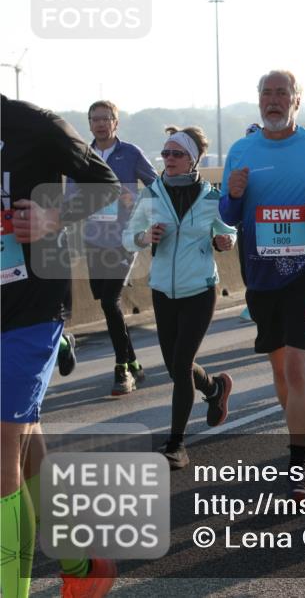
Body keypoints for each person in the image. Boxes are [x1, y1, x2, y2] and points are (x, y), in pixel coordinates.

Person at [2, 95, 121, 598]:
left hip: (31, 307)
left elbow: (108, 187)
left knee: (2, 448)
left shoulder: (35, 126)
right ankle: (80, 563)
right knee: (25, 444)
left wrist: (54, 219)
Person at [219, 70, 305, 500]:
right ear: (258, 100)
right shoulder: (242, 149)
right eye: (266, 94)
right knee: (280, 372)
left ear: (297, 100)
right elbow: (227, 213)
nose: (273, 101)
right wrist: (235, 195)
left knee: (298, 366)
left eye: (282, 93)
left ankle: (298, 469)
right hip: (261, 273)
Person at [122, 126, 237, 469]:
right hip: (162, 290)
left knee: (182, 363)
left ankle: (176, 444)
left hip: (200, 289)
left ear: (192, 160)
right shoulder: (152, 194)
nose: (168, 159)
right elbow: (129, 237)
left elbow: (228, 229)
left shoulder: (211, 197)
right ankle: (214, 388)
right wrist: (145, 236)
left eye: (176, 154)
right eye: (166, 153)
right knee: (175, 368)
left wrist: (225, 241)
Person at [76, 100, 157, 395]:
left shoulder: (131, 153)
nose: (99, 123)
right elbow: (72, 193)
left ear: (115, 123)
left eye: (105, 118)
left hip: (125, 239)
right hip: (94, 239)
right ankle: (134, 362)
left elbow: (156, 186)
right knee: (108, 305)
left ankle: (122, 370)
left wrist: (133, 202)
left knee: (111, 301)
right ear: (89, 123)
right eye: (94, 119)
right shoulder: (82, 155)